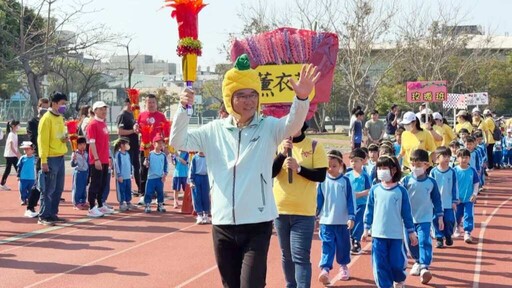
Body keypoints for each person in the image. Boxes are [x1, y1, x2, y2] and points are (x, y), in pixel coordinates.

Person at [170, 54, 319, 288]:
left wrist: (301, 98)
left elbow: (293, 124)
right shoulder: (213, 130)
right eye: (241, 95)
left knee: (252, 284)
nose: (248, 101)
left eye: (253, 95)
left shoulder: (268, 126)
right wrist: (183, 108)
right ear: (229, 99)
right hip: (222, 223)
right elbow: (179, 141)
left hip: (257, 222)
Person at [272, 122, 328, 288]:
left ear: (302, 124)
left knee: (300, 255)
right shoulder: (279, 145)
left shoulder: (314, 146)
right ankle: (290, 284)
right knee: (286, 255)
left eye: (294, 122)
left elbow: (320, 176)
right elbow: (270, 172)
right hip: (280, 210)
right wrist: (281, 154)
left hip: (303, 212)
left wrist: (298, 169)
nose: (290, 128)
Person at [363, 155, 417, 288]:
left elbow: (406, 213)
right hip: (378, 235)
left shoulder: (401, 191)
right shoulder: (375, 190)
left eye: (384, 168)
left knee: (395, 264)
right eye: (379, 168)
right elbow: (369, 210)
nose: (381, 170)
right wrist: (366, 228)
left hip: (395, 235)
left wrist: (411, 232)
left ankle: (399, 279)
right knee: (380, 265)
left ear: (393, 170)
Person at [400, 149, 443, 284]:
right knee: (411, 245)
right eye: (413, 164)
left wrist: (440, 216)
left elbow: (436, 200)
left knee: (424, 241)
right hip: (408, 220)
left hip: (424, 219)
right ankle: (418, 261)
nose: (415, 167)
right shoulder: (406, 180)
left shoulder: (431, 182)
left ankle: (424, 267)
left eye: (419, 165)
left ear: (426, 165)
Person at [316, 150, 355, 284]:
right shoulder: (322, 181)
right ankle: (325, 269)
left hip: (343, 221)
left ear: (340, 165)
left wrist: (351, 216)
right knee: (327, 245)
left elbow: (351, 200)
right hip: (326, 221)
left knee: (343, 245)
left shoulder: (345, 181)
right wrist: (315, 215)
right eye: (328, 166)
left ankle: (343, 267)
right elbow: (319, 199)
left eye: (334, 166)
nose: (331, 169)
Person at [37, 92, 68, 226]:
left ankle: (53, 213)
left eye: (65, 104)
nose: (64, 107)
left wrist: (64, 139)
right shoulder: (46, 119)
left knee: (58, 188)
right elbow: (42, 141)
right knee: (48, 188)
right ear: (54, 103)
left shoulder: (60, 118)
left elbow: (59, 135)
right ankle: (44, 215)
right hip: (50, 158)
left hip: (60, 156)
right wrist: (44, 160)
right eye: (62, 104)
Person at [86, 101, 115, 218]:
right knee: (95, 183)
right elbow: (92, 144)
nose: (104, 111)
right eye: (101, 109)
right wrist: (96, 159)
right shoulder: (92, 125)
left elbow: (105, 143)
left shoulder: (103, 124)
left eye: (105, 109)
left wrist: (108, 157)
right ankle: (92, 207)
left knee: (103, 183)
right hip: (96, 160)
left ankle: (100, 204)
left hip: (104, 159)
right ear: (95, 111)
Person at [137, 94, 168, 202]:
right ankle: (143, 194)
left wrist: (166, 147)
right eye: (149, 102)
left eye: (153, 102)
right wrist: (135, 128)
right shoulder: (141, 115)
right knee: (144, 170)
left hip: (157, 150)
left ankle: (155, 193)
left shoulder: (161, 116)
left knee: (157, 172)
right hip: (144, 148)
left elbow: (166, 132)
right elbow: (137, 129)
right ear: (146, 103)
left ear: (156, 103)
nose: (151, 104)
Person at [430, 146, 458, 248]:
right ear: (437, 158)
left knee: (449, 220)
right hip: (436, 203)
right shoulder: (433, 172)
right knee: (436, 220)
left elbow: (455, 186)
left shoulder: (452, 172)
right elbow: (430, 187)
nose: (447, 158)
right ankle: (439, 238)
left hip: (448, 202)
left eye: (448, 156)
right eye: (444, 156)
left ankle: (448, 234)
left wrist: (454, 200)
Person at [345, 149, 371, 255]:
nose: (353, 163)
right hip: (349, 205)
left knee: (359, 223)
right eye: (351, 161)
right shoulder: (347, 175)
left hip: (361, 204)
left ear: (362, 162)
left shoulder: (365, 176)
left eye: (356, 161)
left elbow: (369, 190)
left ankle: (356, 241)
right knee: (350, 222)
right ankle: (351, 239)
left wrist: (359, 194)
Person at [453, 148, 480, 243]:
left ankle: (467, 232)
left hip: (469, 199)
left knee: (468, 215)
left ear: (469, 158)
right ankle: (457, 227)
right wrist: (455, 197)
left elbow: (476, 183)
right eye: (461, 157)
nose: (464, 159)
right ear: (457, 158)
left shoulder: (472, 171)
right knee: (457, 215)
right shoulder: (454, 170)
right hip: (457, 199)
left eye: (466, 157)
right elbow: (451, 185)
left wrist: (474, 194)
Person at [117, 98, 141, 195]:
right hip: (126, 146)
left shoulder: (133, 114)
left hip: (135, 145)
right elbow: (120, 131)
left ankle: (140, 188)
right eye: (133, 103)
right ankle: (126, 189)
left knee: (137, 167)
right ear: (127, 103)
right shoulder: (122, 115)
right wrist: (132, 131)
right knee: (127, 168)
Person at [143, 134, 168, 213]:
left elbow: (165, 166)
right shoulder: (150, 154)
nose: (161, 145)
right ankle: (147, 205)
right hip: (151, 177)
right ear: (154, 144)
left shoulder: (163, 155)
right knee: (149, 192)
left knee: (160, 192)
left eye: (162, 143)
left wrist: (165, 174)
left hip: (160, 178)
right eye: (159, 143)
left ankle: (160, 204)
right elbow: (146, 164)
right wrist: (146, 162)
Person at [114, 137, 136, 212]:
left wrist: (131, 173)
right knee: (121, 189)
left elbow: (129, 164)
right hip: (121, 177)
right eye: (126, 144)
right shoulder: (118, 154)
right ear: (122, 145)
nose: (128, 145)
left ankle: (128, 202)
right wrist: (119, 175)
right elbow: (117, 165)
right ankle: (121, 203)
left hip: (127, 176)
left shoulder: (127, 154)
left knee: (128, 189)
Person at [189, 151, 210, 224]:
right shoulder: (195, 157)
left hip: (206, 178)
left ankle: (206, 215)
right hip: (197, 178)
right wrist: (191, 181)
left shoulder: (208, 157)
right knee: (197, 196)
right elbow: (191, 170)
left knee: (205, 196)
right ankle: (199, 215)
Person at [1, 120, 21, 190]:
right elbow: (11, 146)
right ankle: (2, 184)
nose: (19, 127)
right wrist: (17, 154)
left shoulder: (15, 134)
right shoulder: (11, 134)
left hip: (12, 155)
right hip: (10, 155)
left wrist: (19, 153)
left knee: (10, 169)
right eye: (18, 125)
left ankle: (2, 183)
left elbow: (15, 146)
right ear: (13, 126)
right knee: (15, 168)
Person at [71, 136, 89, 210]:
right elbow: (72, 165)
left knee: (84, 188)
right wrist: (74, 160)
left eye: (84, 144)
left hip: (85, 172)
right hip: (78, 172)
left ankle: (83, 201)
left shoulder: (86, 153)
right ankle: (76, 203)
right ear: (77, 145)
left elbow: (88, 163)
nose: (82, 146)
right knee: (77, 188)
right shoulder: (75, 154)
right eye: (80, 144)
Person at [17, 141, 36, 206]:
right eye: (25, 149)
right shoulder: (22, 158)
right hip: (23, 178)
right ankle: (23, 199)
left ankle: (29, 199)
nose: (26, 150)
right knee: (22, 189)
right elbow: (19, 167)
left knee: (31, 190)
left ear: (32, 150)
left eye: (27, 149)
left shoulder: (35, 158)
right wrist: (18, 175)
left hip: (32, 178)